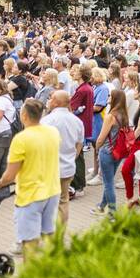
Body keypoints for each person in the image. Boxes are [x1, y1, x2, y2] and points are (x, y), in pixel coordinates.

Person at [0, 99, 60, 260]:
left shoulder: (21, 139)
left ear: (24, 115)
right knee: (49, 235)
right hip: (52, 191)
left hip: (31, 195)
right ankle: (52, 271)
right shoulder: (53, 132)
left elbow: (10, 175)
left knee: (29, 242)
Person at [41, 90, 85, 225]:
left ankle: (49, 231)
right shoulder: (77, 121)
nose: (48, 101)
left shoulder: (47, 120)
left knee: (47, 201)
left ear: (55, 102)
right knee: (63, 200)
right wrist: (71, 158)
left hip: (50, 168)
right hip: (67, 167)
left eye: (50, 99)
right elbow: (79, 145)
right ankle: (61, 230)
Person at [93, 88, 130, 216]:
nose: (108, 97)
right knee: (109, 179)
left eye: (110, 96)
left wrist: (97, 148)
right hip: (118, 152)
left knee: (108, 183)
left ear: (114, 99)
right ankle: (102, 205)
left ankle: (112, 212)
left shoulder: (110, 116)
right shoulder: (124, 114)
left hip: (107, 151)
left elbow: (101, 138)